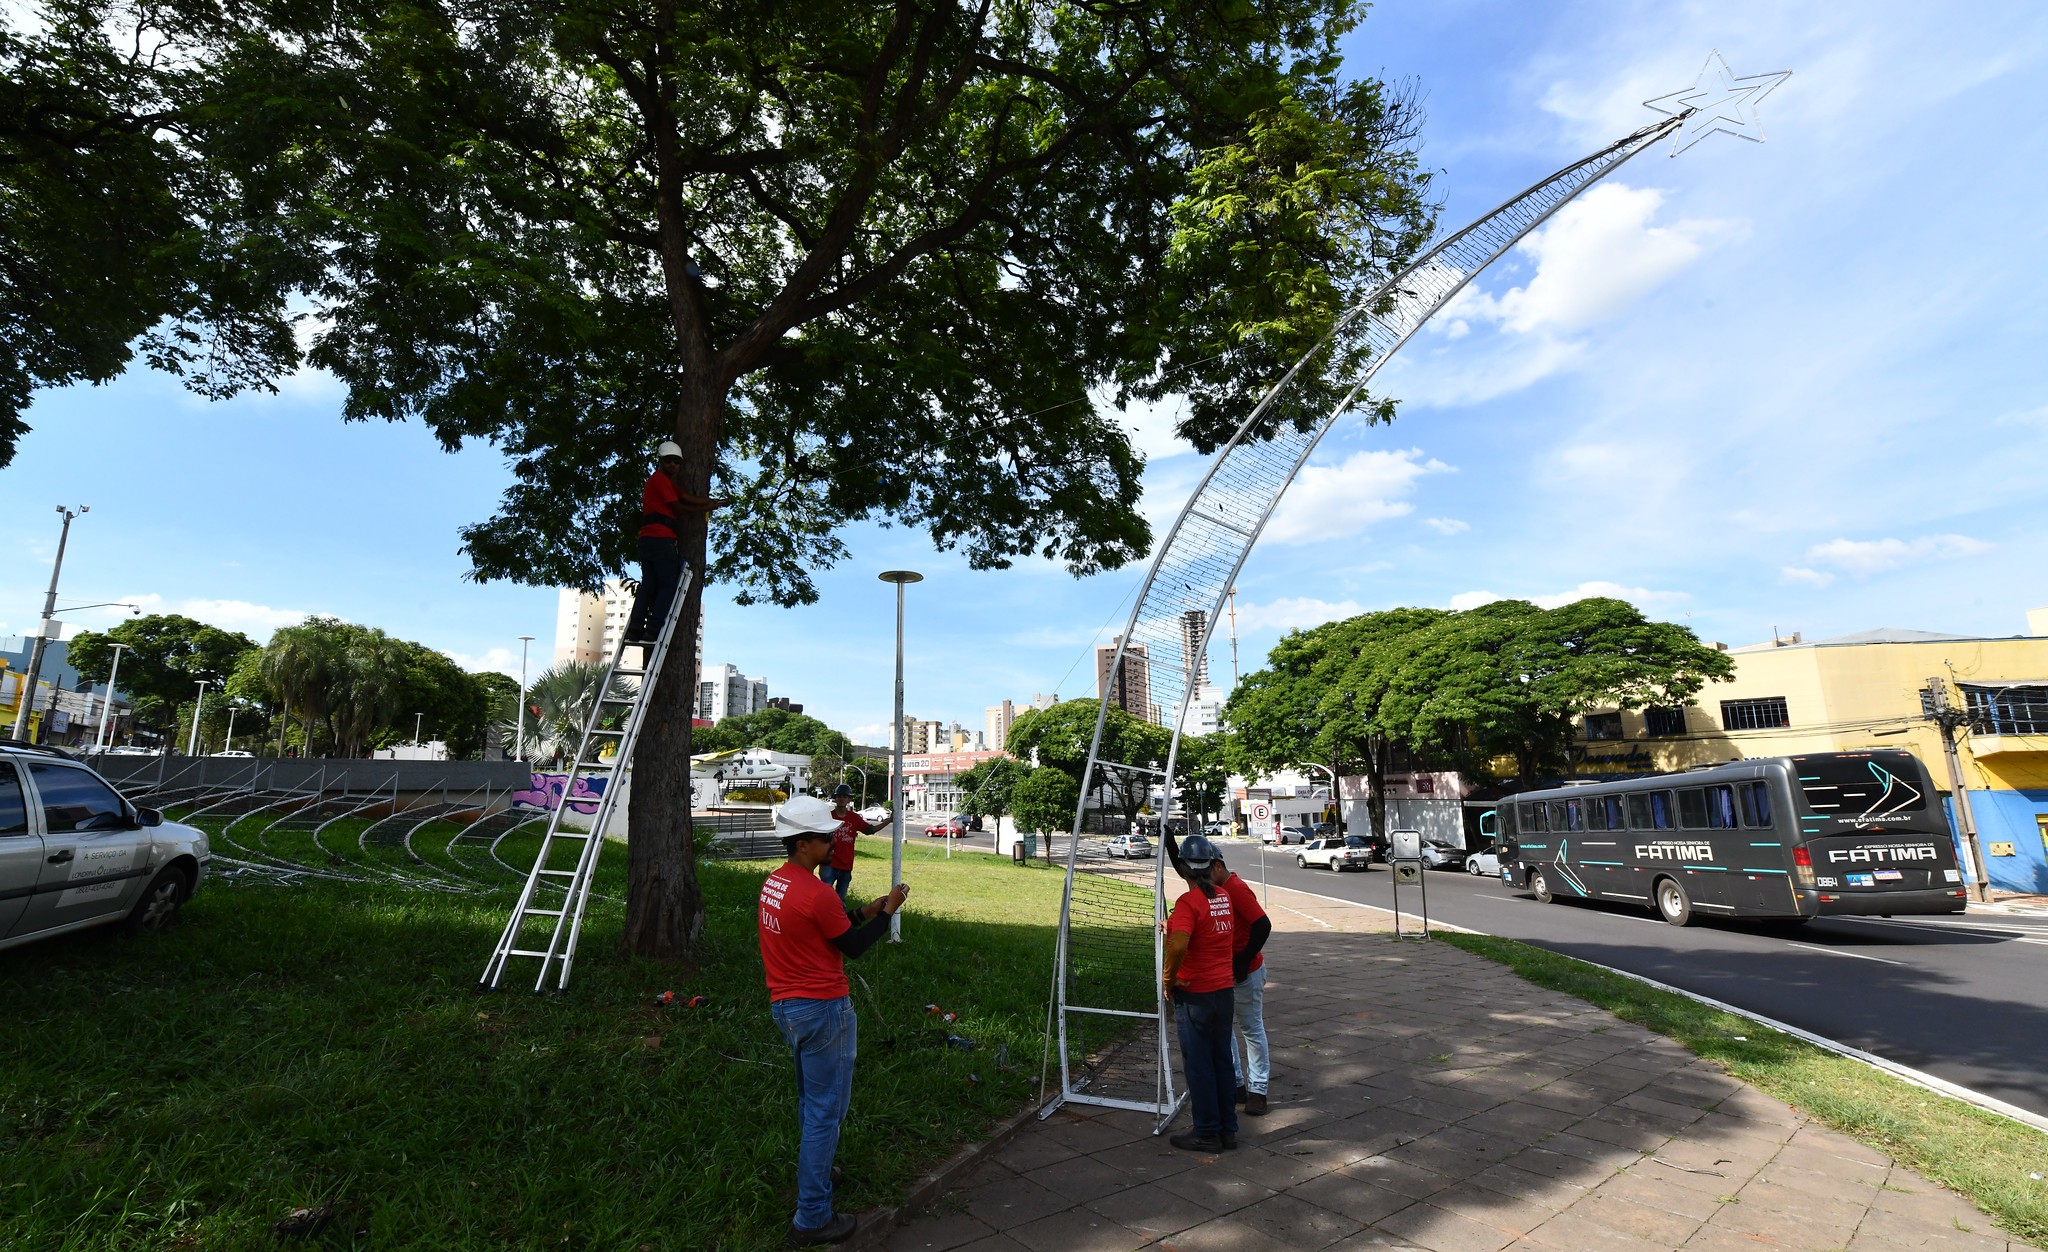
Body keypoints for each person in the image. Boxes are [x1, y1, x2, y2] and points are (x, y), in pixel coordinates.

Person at [758, 795, 910, 1246]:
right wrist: (888, 913)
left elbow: (827, 927)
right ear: (803, 844)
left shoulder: (777, 883)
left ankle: (818, 1171)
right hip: (823, 1010)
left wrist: (864, 911)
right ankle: (812, 1218)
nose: (833, 841)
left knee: (811, 1101)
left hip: (787, 1008)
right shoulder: (818, 892)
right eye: (825, 837)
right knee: (827, 1113)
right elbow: (855, 948)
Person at [1166, 832, 1274, 1116]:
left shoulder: (1233, 889)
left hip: (1246, 970)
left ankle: (1258, 1090)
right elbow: (1189, 871)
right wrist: (1170, 846)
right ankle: (1236, 1085)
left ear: (1216, 867)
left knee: (1251, 1029)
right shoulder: (1214, 889)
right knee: (1224, 1034)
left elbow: (1263, 925)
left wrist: (1242, 960)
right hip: (1223, 976)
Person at [1161, 833, 1238, 1152]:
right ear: (1211, 865)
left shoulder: (1187, 903)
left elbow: (1179, 944)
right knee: (1222, 1060)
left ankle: (1206, 1132)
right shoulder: (1223, 896)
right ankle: (1227, 1129)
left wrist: (1169, 979)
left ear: (1184, 869)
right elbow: (1204, 932)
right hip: (1224, 992)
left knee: (1199, 1064)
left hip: (1196, 994)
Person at [623, 440, 728, 647]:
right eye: (669, 461)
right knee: (668, 585)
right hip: (661, 539)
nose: (673, 465)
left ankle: (635, 629)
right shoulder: (660, 480)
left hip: (648, 540)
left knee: (649, 585)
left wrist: (715, 502)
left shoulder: (665, 483)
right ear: (661, 462)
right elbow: (679, 508)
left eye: (676, 462)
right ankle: (653, 630)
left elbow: (688, 497)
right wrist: (706, 509)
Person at [820, 784, 870, 900]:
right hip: (829, 864)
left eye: (845, 796)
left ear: (849, 799)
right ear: (835, 798)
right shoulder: (827, 817)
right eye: (839, 796)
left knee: (841, 900)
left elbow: (869, 830)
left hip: (846, 865)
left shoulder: (854, 818)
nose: (842, 798)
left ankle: (840, 918)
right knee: (824, 897)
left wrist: (889, 820)